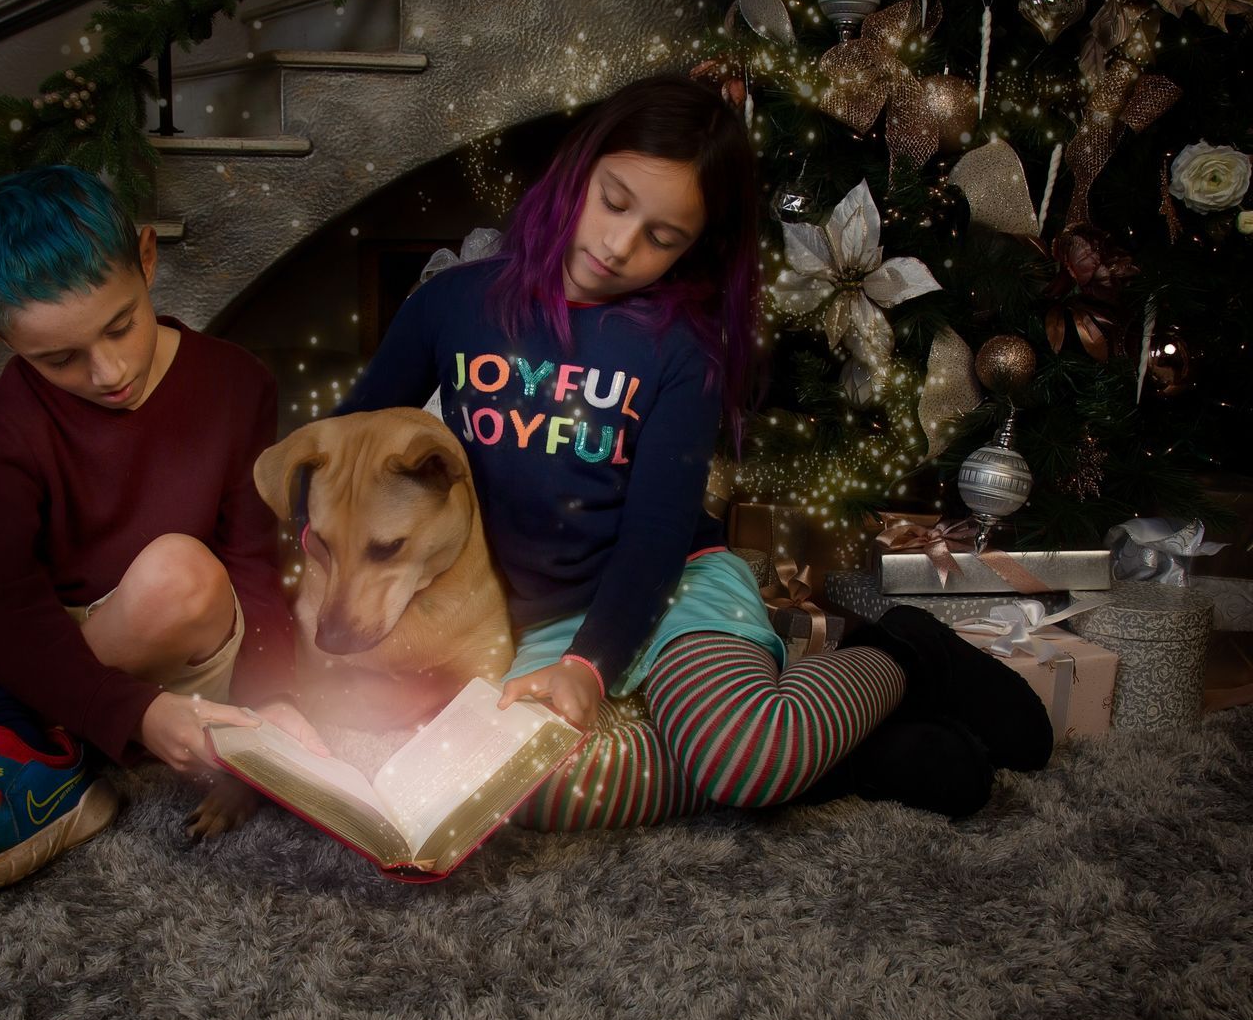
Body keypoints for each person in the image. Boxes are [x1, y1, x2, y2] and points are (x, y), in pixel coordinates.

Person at [333, 76, 1052, 829]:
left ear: (693, 247)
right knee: (520, 794)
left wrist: (589, 664)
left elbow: (656, 534)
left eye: (662, 237)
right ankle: (834, 759)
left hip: (671, 593)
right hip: (527, 623)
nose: (618, 246)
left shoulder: (678, 350)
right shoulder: (451, 306)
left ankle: (906, 653)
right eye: (613, 201)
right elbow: (352, 442)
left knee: (746, 755)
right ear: (578, 169)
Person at [0, 164, 324, 898]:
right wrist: (132, 716)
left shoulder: (237, 383)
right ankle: (18, 742)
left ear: (146, 258)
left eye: (120, 326)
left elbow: (254, 568)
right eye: (58, 358)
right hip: (23, 632)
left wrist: (272, 698)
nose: (107, 372)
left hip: (158, 631)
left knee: (180, 571)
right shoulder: (5, 426)